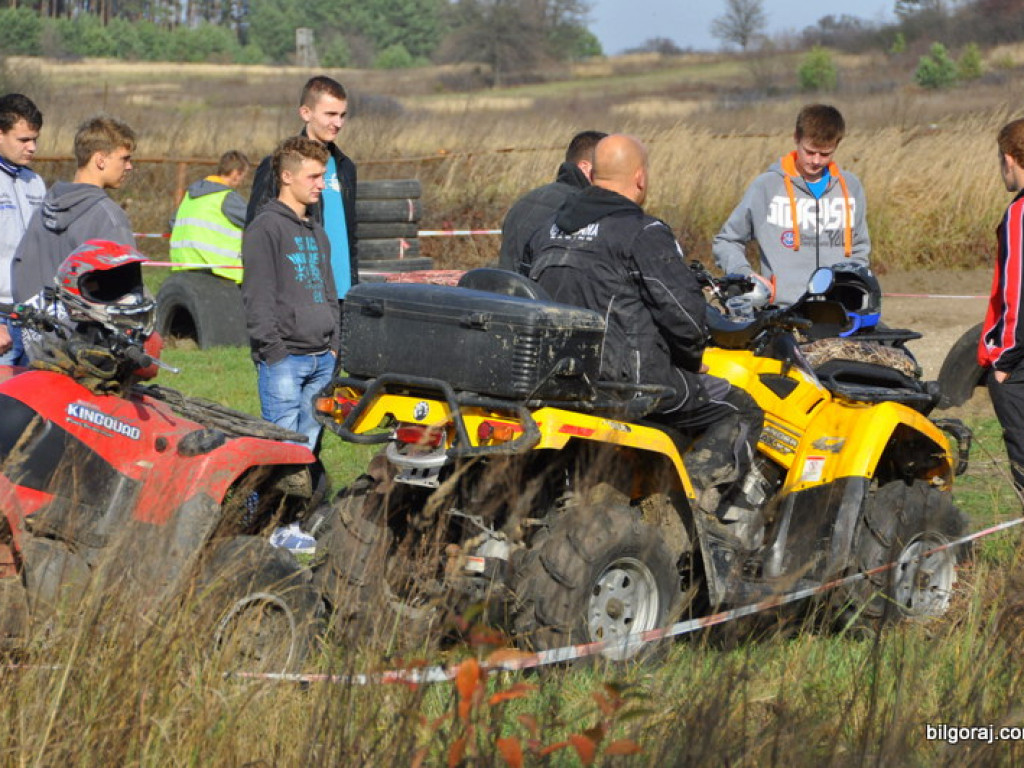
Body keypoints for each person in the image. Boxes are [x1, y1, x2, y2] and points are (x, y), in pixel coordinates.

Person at [524, 133, 763, 521]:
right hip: (630, 382)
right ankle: (684, 511)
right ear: (639, 178)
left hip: (559, 380)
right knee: (740, 409)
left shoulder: (548, 230)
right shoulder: (643, 232)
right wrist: (692, 358)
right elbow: (684, 315)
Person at [712, 104, 871, 306]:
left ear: (837, 145)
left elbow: (859, 247)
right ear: (796, 138)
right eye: (810, 151)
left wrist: (851, 288)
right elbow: (726, 241)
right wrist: (745, 275)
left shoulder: (851, 186)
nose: (816, 161)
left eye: (825, 154)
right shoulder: (766, 186)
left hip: (838, 310)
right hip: (782, 312)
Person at [241, 136, 339, 452]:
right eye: (313, 176)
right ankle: (259, 504)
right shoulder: (265, 228)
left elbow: (329, 293)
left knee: (307, 452)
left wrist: (334, 347)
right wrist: (273, 351)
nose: (321, 185)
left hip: (322, 359)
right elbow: (257, 297)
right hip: (284, 360)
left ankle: (299, 504)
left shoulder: (317, 232)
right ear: (287, 176)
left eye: (322, 176)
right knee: (277, 454)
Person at [246, 76, 357, 305]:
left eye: (342, 115)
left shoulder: (347, 168)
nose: (338, 123)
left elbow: (351, 237)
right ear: (306, 113)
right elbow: (257, 235)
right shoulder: (277, 166)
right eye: (330, 114)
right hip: (301, 295)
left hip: (343, 294)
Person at [11, 115, 136, 308]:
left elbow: (21, 270)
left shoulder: (43, 209)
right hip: (89, 334)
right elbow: (126, 291)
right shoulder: (108, 217)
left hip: (40, 330)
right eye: (125, 158)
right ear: (100, 160)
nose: (129, 166)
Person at [980, 117, 1024, 498]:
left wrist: (1004, 362)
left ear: (1010, 160)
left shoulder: (1019, 212)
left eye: (1000, 161)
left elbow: (1017, 290)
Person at [498, 130, 607, 272]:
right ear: (585, 168)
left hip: (508, 291)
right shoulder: (580, 210)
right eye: (608, 168)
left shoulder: (525, 200)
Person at [0, 93, 46, 366]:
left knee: (29, 406)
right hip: (0, 318)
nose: (32, 148)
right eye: (24, 140)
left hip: (32, 317)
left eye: (35, 139)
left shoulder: (35, 183)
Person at [169, 149, 251, 283]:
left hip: (183, 263)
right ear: (236, 174)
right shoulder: (227, 198)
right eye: (243, 176)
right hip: (218, 270)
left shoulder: (191, 194)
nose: (242, 182)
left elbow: (173, 222)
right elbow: (256, 223)